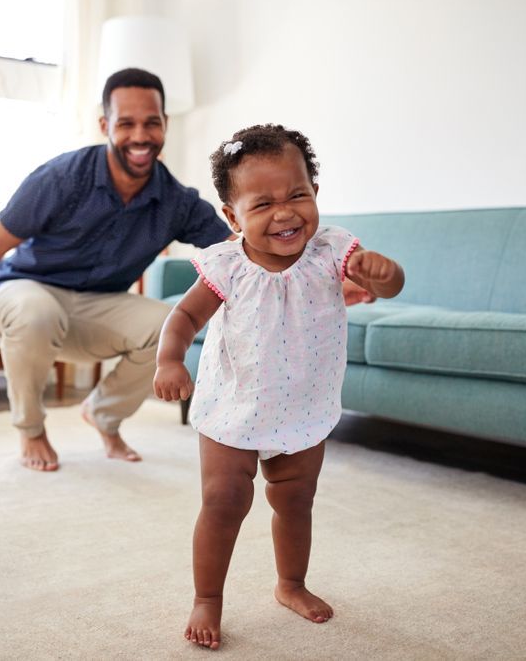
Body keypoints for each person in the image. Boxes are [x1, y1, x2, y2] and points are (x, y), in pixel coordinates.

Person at [0, 68, 233, 472]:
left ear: (165, 125)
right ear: (105, 125)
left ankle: (104, 414)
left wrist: (303, 254)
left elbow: (235, 250)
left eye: (151, 123)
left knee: (167, 324)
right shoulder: (61, 179)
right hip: (23, 295)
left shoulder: (176, 200)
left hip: (97, 308)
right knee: (37, 312)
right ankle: (31, 430)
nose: (140, 136)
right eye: (126, 123)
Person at [153, 124, 405, 649]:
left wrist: (382, 274)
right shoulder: (226, 264)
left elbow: (388, 284)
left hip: (303, 404)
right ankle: (208, 598)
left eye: (298, 195)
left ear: (315, 192)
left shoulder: (334, 250)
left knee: (295, 500)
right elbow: (182, 317)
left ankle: (291, 583)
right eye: (262, 203)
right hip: (234, 402)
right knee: (224, 500)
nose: (285, 213)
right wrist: (171, 361)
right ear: (232, 216)